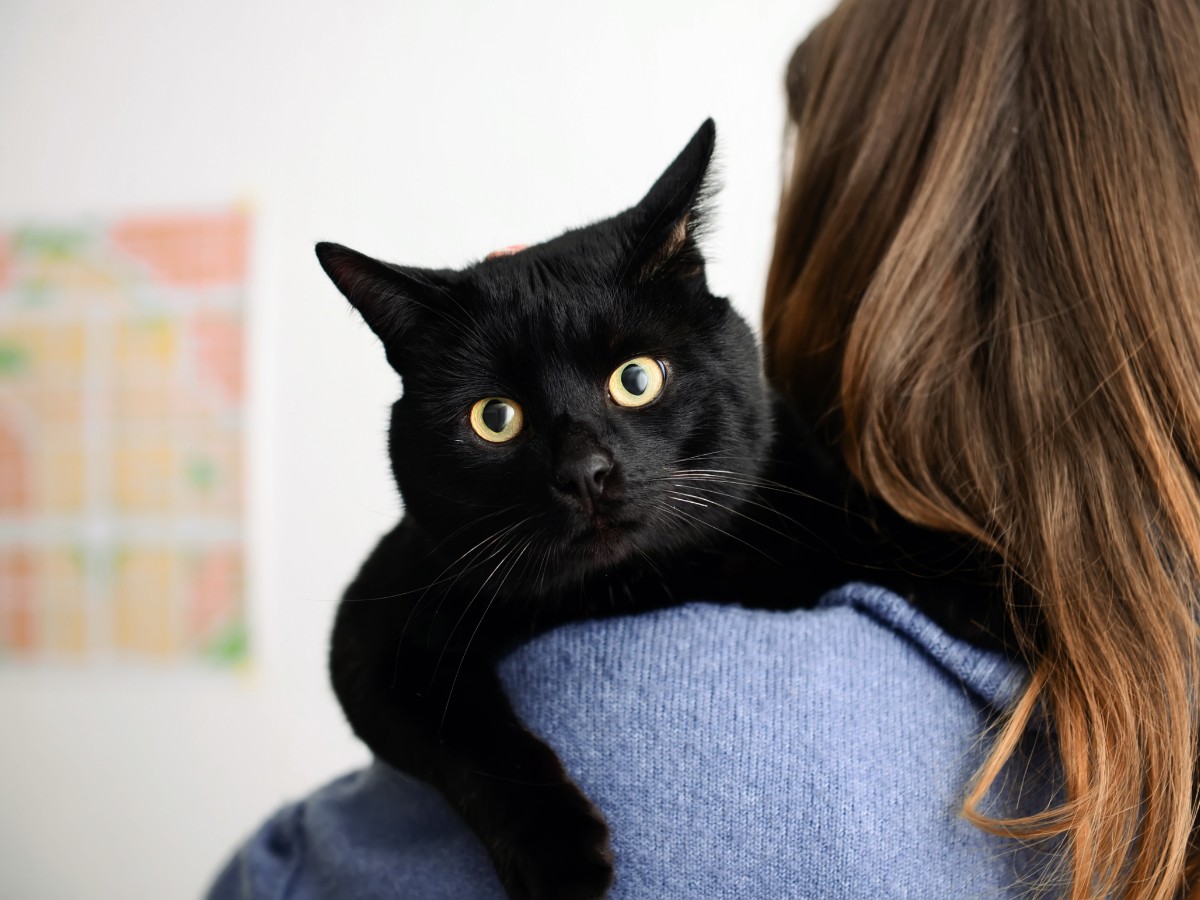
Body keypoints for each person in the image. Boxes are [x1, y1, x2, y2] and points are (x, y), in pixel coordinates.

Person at [208, 0, 1200, 896]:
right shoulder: (1119, 682)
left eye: (634, 383)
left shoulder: (679, 722)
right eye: (497, 420)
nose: (585, 467)